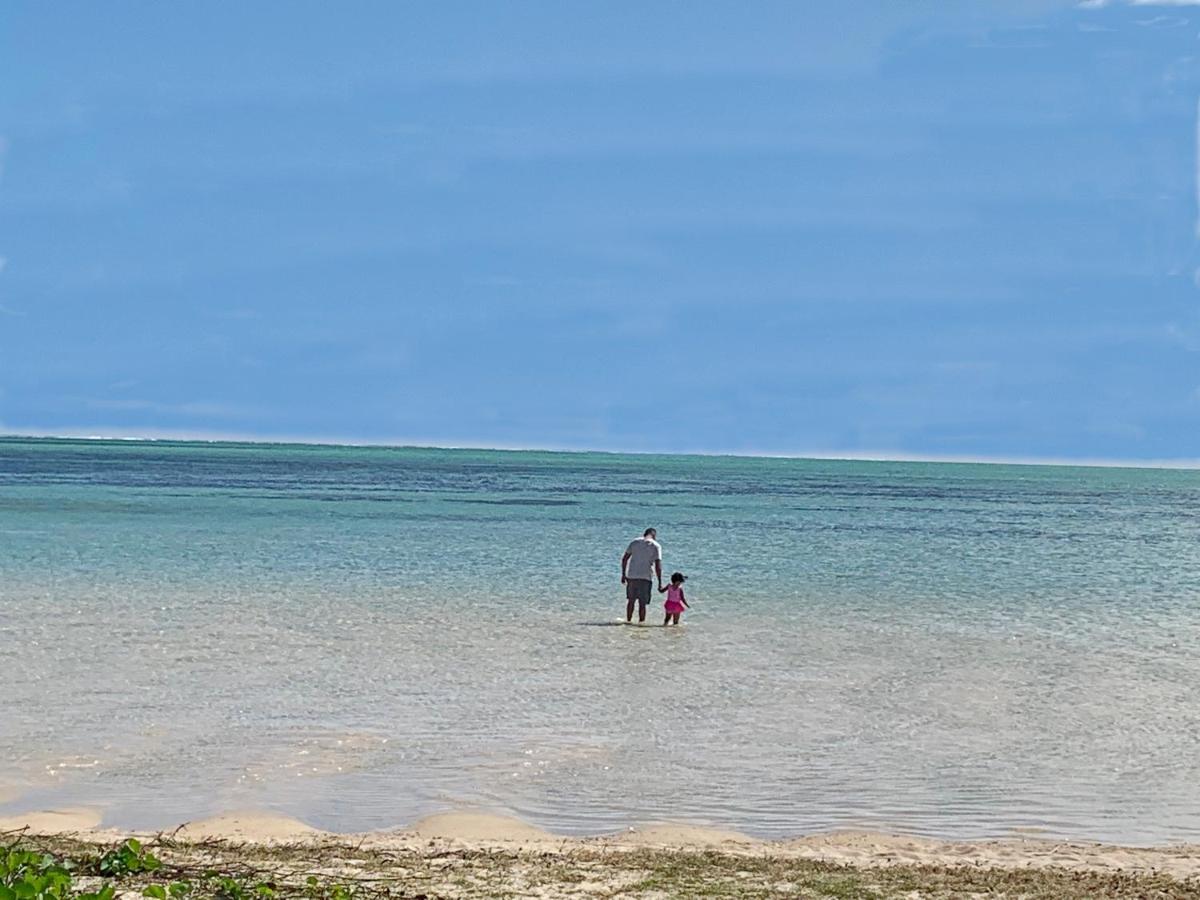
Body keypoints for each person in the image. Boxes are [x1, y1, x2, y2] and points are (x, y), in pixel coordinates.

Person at [620, 527, 662, 623]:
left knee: (631, 601)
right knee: (642, 604)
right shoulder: (656, 546)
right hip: (646, 577)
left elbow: (624, 559)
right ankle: (641, 623)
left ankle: (628, 621)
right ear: (654, 536)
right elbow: (658, 565)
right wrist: (660, 582)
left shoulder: (634, 542)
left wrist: (623, 574)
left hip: (632, 576)